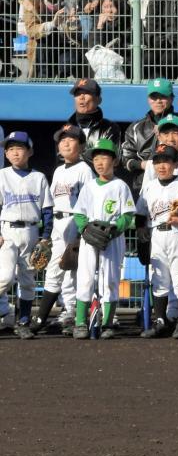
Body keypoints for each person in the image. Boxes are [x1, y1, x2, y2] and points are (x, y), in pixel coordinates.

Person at [72, 138, 136, 340]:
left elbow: (127, 216)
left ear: (115, 161)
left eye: (104, 158)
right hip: (90, 238)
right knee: (85, 278)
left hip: (112, 238)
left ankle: (108, 322)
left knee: (109, 280)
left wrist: (114, 230)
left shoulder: (120, 186)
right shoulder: (89, 186)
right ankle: (80, 322)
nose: (99, 162)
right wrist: (84, 229)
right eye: (96, 158)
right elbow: (79, 213)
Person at [34, 125, 94, 335]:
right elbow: (51, 202)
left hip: (74, 222)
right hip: (58, 223)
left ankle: (69, 316)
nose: (66, 143)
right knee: (57, 270)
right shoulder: (59, 170)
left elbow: (89, 202)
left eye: (71, 139)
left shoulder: (85, 170)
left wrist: (80, 231)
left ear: (82, 145)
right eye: (62, 140)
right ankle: (64, 314)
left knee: (73, 272)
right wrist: (47, 232)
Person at [136, 143, 178, 339]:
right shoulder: (149, 187)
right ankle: (161, 320)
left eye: (166, 161)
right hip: (157, 235)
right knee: (159, 278)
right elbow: (140, 213)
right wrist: (141, 231)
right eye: (157, 162)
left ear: (175, 164)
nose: (162, 166)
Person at [0, 131, 54, 338]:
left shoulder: (38, 177)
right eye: (11, 149)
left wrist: (46, 235)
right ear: (5, 153)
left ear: (29, 151)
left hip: (31, 230)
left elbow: (47, 210)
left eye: (19, 148)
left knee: (28, 281)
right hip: (7, 231)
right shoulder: (2, 175)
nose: (15, 153)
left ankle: (22, 321)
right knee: (4, 278)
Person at [20, 0, 83, 80]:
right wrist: (53, 23)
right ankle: (44, 82)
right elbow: (31, 30)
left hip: (65, 42)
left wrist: (73, 23)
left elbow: (76, 33)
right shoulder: (30, 1)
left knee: (67, 65)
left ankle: (62, 81)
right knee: (43, 55)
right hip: (43, 45)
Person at [121, 78, 175, 193]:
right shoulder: (136, 127)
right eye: (154, 97)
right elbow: (125, 158)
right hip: (143, 187)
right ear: (148, 99)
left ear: (171, 98)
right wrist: (142, 164)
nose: (158, 101)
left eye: (163, 96)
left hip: (175, 185)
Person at [65, 78, 122, 162]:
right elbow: (61, 160)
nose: (81, 97)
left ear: (99, 100)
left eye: (86, 93)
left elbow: (112, 162)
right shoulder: (66, 129)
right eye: (77, 94)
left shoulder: (109, 128)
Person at [86, 0, 132, 79]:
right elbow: (93, 48)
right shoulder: (98, 22)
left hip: (124, 63)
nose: (109, 10)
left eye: (112, 6)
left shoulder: (129, 21)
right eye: (105, 7)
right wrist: (100, 26)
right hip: (101, 65)